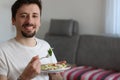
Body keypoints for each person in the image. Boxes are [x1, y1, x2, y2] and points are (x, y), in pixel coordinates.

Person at [0, 0, 63, 80]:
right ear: (13, 20)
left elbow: (56, 77)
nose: (29, 21)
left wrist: (56, 73)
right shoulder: (2, 51)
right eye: (23, 16)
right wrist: (25, 77)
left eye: (34, 16)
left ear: (40, 21)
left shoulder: (46, 46)